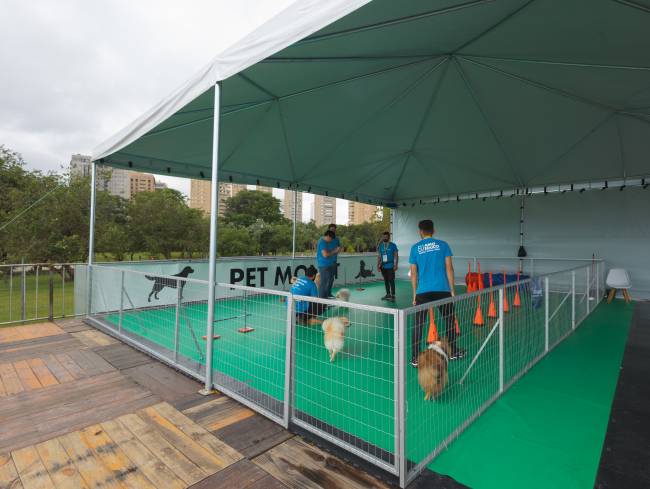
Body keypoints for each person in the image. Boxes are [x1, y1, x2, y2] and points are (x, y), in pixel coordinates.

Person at [409, 219, 465, 366]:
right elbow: (449, 268)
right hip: (442, 289)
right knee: (449, 320)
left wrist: (414, 294)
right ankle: (453, 351)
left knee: (418, 324)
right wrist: (452, 290)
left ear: (420, 231)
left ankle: (415, 357)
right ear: (433, 230)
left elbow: (414, 273)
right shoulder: (443, 245)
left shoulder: (415, 248)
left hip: (423, 291)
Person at [316, 230, 340, 299]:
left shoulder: (325, 242)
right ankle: (321, 300)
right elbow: (325, 255)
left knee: (326, 283)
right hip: (324, 266)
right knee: (323, 283)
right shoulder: (322, 242)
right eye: (331, 239)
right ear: (328, 236)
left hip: (328, 265)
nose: (330, 241)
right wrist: (335, 251)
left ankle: (325, 298)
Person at [377, 231, 398, 301]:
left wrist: (395, 265)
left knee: (391, 280)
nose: (385, 238)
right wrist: (378, 265)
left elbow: (396, 255)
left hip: (390, 266)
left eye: (386, 237)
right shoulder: (381, 246)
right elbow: (379, 256)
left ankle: (393, 295)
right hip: (383, 266)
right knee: (386, 281)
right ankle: (388, 294)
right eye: (384, 237)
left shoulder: (393, 245)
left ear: (389, 237)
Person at [326, 223, 340, 298]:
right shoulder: (326, 239)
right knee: (325, 279)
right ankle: (323, 295)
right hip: (326, 262)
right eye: (331, 230)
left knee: (331, 279)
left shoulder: (337, 239)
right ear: (329, 230)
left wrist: (338, 250)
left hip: (334, 262)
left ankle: (329, 293)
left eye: (334, 230)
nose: (333, 231)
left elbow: (338, 248)